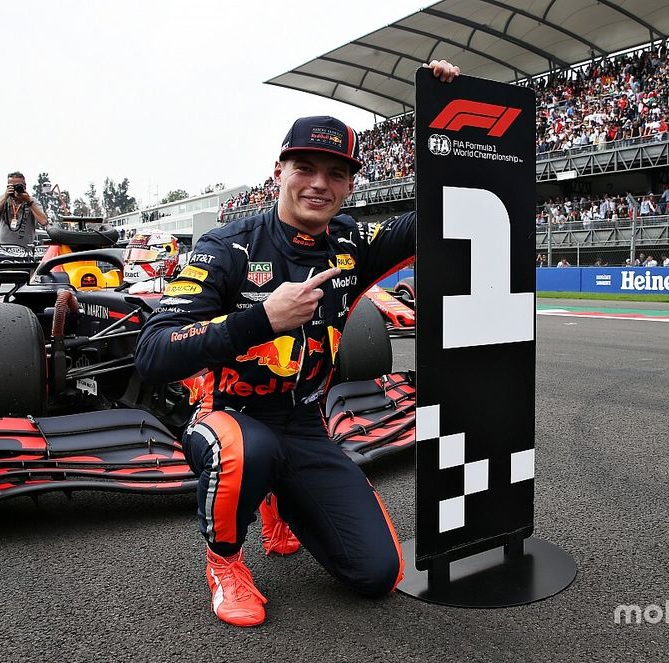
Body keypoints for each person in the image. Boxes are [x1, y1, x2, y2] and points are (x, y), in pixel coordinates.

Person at [134, 59, 460, 627]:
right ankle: (225, 561)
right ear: (278, 172)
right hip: (225, 415)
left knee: (377, 574)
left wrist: (442, 121)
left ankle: (281, 498)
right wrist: (261, 319)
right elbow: (153, 351)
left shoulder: (352, 241)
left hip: (307, 423)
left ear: (352, 184)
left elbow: (433, 215)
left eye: (336, 174)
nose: (319, 183)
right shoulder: (225, 245)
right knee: (247, 452)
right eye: (304, 167)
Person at [0, 171, 48, 299]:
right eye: (11, 185)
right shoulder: (4, 199)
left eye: (18, 185)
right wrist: (5, 196)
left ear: (25, 186)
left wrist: (28, 202)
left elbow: (44, 221)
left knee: (23, 289)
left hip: (24, 251)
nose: (14, 188)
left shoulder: (32, 201)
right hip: (1, 251)